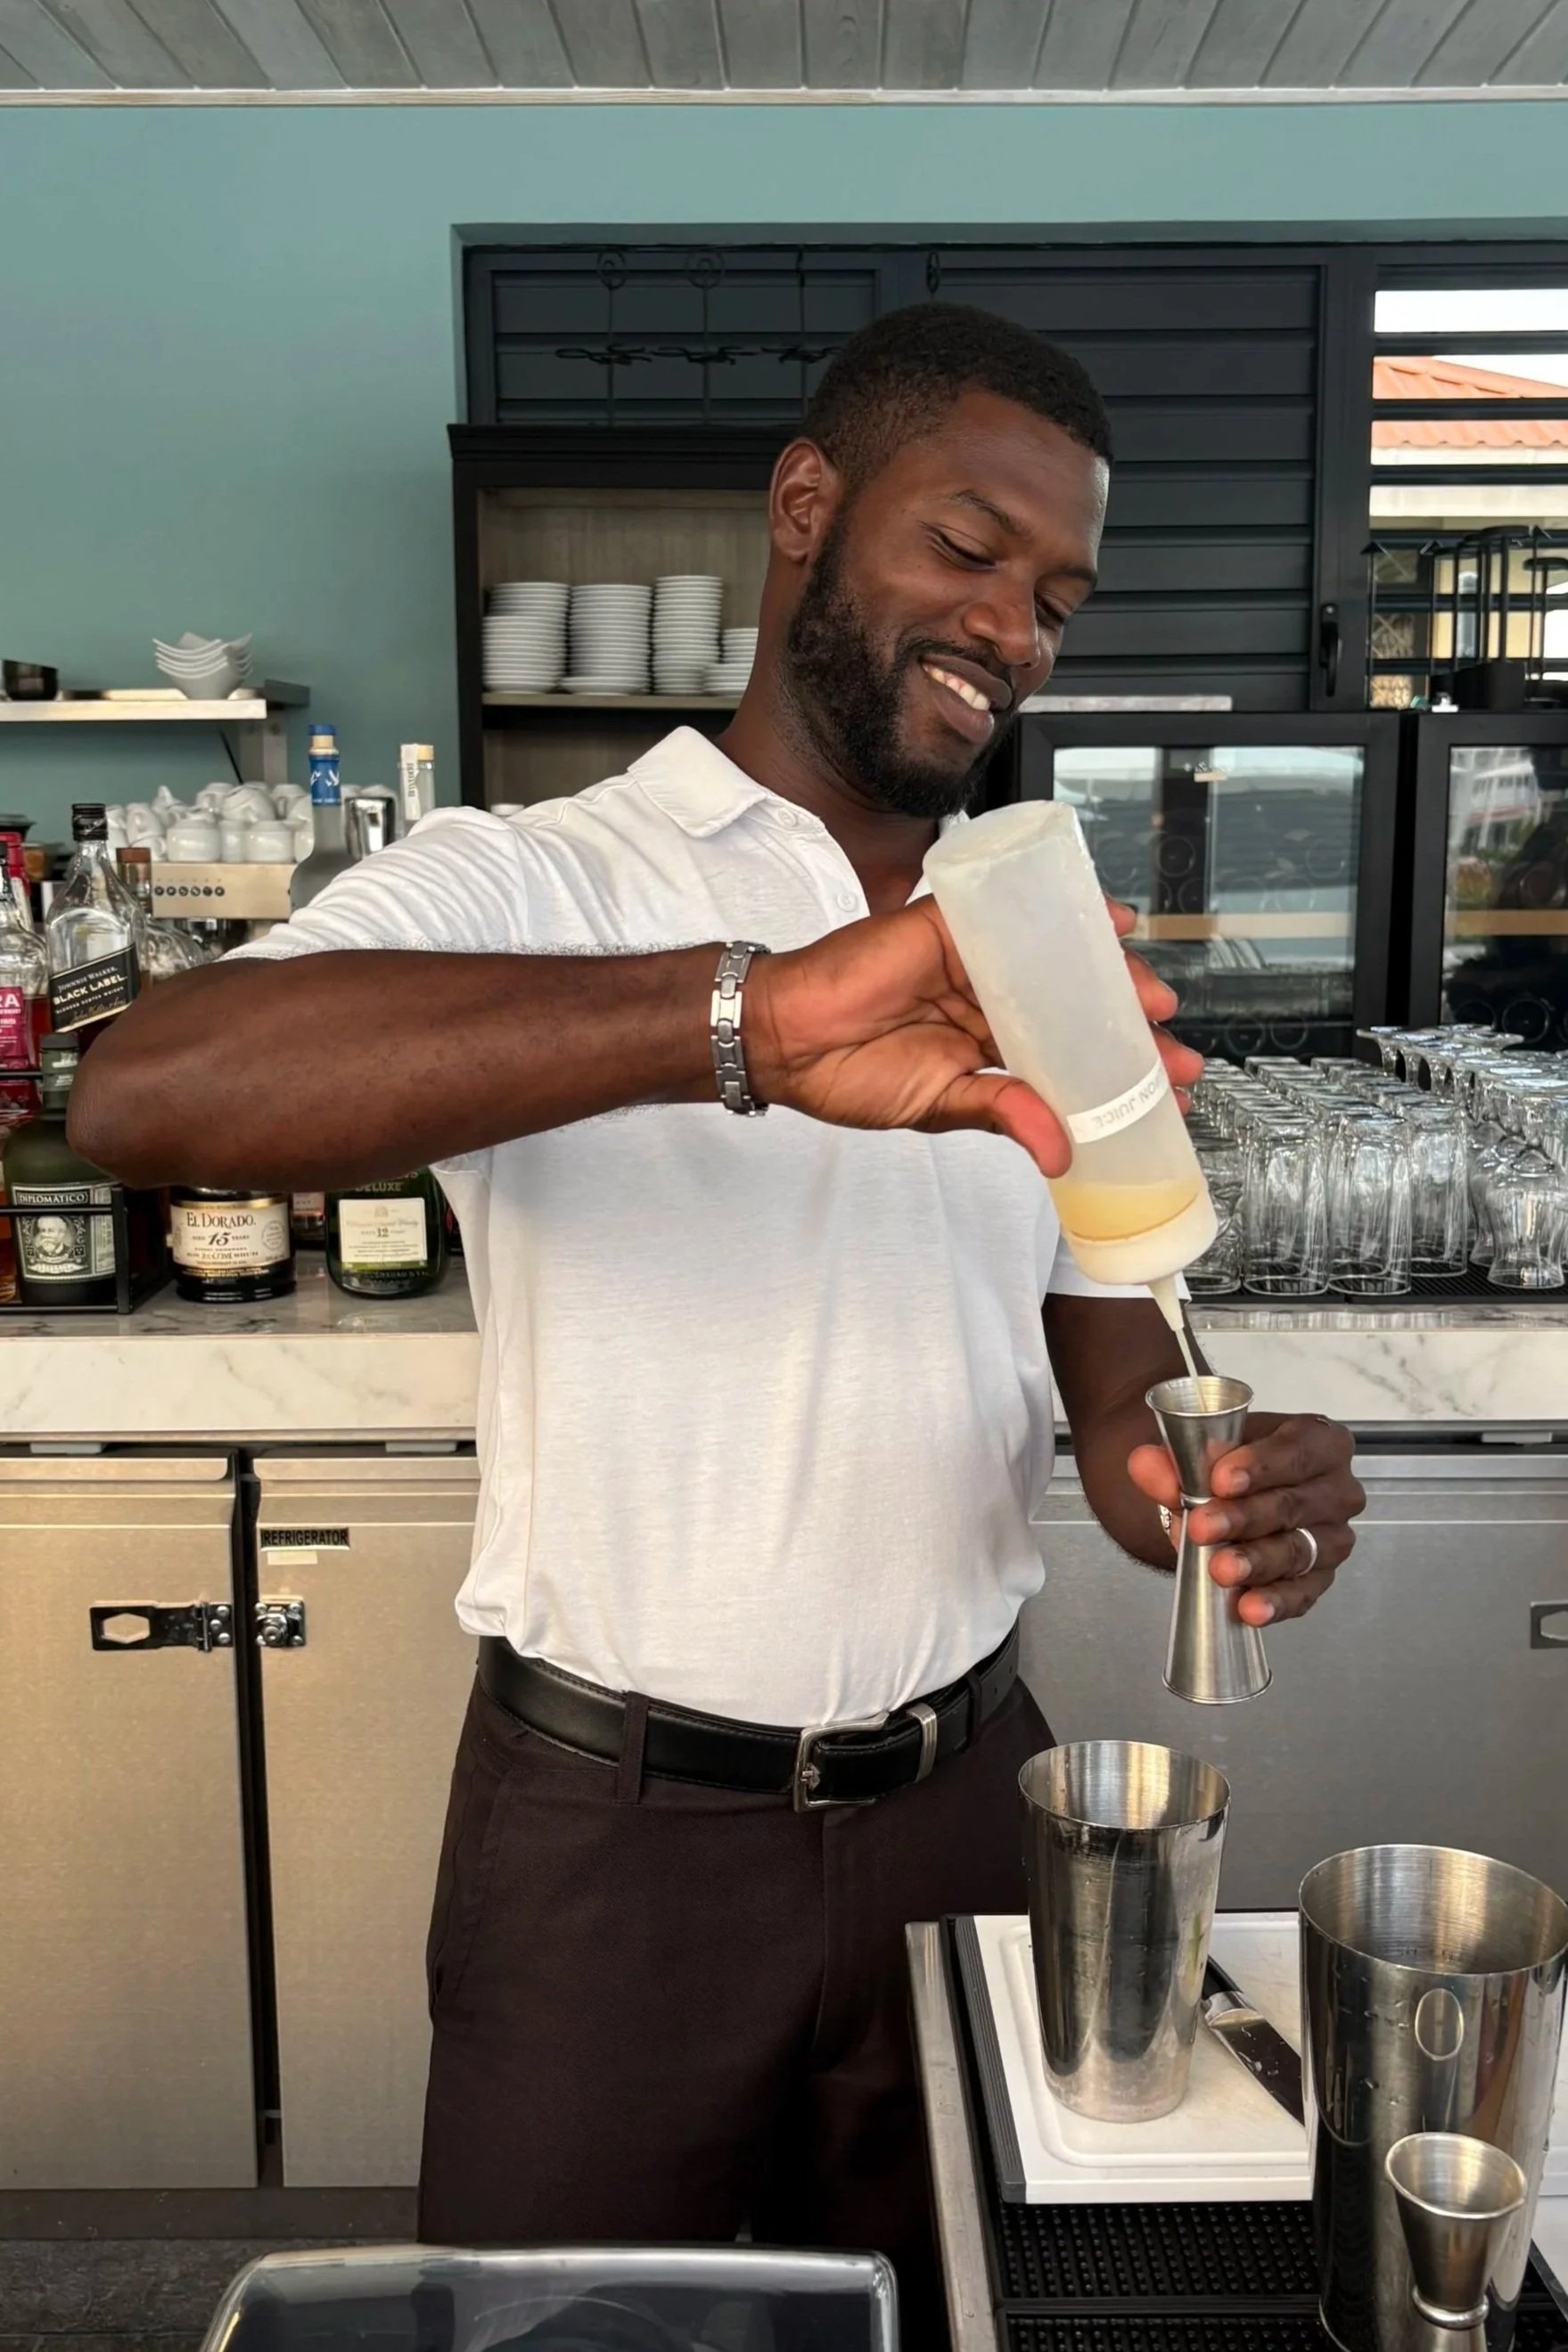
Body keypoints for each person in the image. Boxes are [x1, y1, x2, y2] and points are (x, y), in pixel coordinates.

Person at [71, 303, 1365, 2345]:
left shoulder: (1030, 930)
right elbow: (149, 1091)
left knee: (955, 2313)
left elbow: (1116, 1364)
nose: (1012, 627)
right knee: (554, 2330)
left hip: (965, 1812)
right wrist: (750, 1021)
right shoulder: (536, 878)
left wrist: (1206, 1477)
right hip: (616, 1848)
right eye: (965, 547)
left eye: (1053, 595)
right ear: (805, 507)